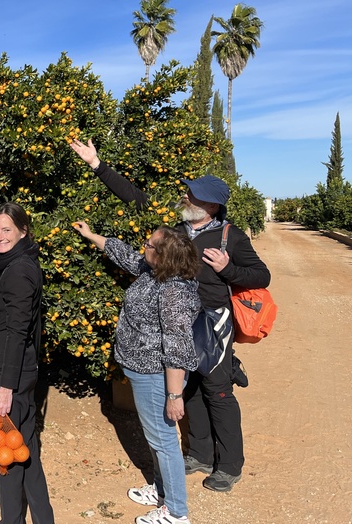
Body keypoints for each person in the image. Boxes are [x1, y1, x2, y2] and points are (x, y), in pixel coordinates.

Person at [69, 139, 271, 492]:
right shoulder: (176, 231)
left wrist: (228, 271)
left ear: (210, 205)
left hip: (212, 321)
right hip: (181, 320)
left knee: (217, 389)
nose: (185, 198)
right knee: (189, 386)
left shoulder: (230, 237)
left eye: (192, 196)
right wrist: (97, 165)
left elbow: (261, 276)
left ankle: (230, 465)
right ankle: (202, 453)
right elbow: (135, 198)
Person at [74, 222, 200, 524]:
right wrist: (92, 235)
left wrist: (174, 395)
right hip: (142, 371)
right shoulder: (152, 271)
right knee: (156, 436)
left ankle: (177, 511)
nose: (144, 245)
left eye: (150, 244)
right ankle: (160, 490)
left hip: (157, 376)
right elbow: (126, 255)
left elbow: (177, 349)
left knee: (164, 441)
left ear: (164, 256)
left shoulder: (174, 293)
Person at [0, 202, 55, 524]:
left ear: (23, 230)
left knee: (5, 452)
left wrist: (5, 387)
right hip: (14, 371)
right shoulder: (15, 260)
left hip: (8, 375)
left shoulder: (19, 271)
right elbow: (1, 266)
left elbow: (18, 331)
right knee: (26, 449)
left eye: (7, 230)